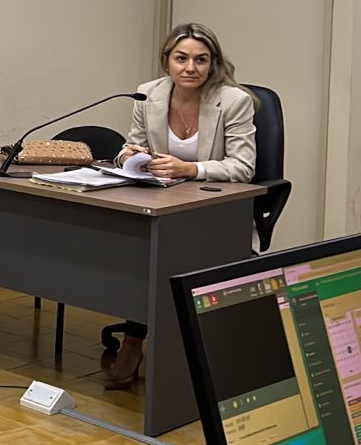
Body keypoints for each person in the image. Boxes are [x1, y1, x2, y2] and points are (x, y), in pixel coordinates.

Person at [104, 21, 258, 389]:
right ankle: (134, 343)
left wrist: (191, 168)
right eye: (181, 58)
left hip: (214, 210)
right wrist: (130, 155)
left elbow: (243, 166)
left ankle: (145, 343)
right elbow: (129, 146)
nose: (190, 68)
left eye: (200, 60)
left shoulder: (234, 101)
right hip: (160, 203)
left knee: (164, 253)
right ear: (167, 61)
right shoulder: (148, 94)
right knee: (138, 251)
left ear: (213, 63)